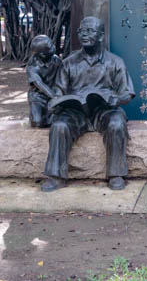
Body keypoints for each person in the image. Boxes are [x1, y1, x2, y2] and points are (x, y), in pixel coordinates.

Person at [41, 16, 135, 192]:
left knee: (116, 124)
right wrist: (56, 101)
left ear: (100, 36)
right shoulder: (68, 62)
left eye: (90, 31)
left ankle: (116, 174)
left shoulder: (115, 62)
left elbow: (127, 93)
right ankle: (56, 176)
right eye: (81, 31)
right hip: (75, 111)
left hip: (104, 110)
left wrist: (117, 99)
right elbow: (59, 91)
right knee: (59, 125)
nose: (84, 35)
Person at [26, 35, 62, 128]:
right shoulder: (32, 66)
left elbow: (62, 77)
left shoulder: (56, 59)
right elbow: (40, 84)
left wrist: (59, 95)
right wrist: (54, 96)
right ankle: (35, 115)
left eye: (52, 44)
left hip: (54, 94)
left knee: (58, 119)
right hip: (38, 96)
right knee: (38, 123)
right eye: (50, 47)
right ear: (42, 54)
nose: (54, 46)